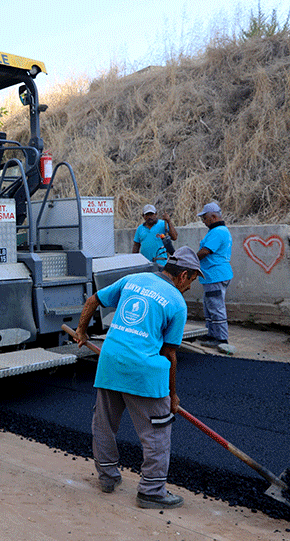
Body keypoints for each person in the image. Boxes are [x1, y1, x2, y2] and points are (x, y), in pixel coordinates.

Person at [75, 246, 203, 509]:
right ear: (183, 276)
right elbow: (169, 355)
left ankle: (108, 478)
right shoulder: (177, 303)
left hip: (110, 363)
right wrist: (173, 395)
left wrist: (81, 331)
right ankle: (152, 492)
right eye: (191, 281)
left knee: (104, 425)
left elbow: (92, 301)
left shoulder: (134, 279)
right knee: (157, 432)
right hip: (144, 372)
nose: (190, 287)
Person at [196, 202, 233, 349]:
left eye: (204, 218)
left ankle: (221, 338)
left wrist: (190, 260)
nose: (204, 221)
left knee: (216, 307)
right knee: (209, 305)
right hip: (214, 275)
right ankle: (212, 333)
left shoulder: (218, 232)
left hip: (215, 275)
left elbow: (205, 251)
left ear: (212, 216)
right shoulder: (219, 231)